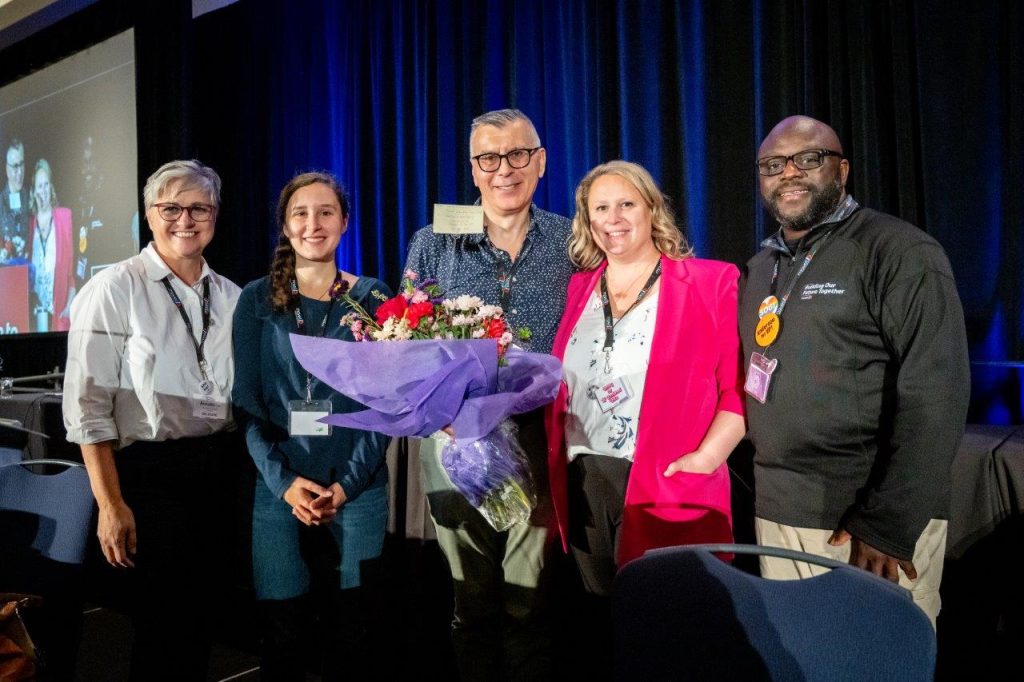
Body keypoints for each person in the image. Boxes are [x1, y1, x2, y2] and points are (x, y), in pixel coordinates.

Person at [740, 115, 970, 626]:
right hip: (780, 513)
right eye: (773, 165)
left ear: (841, 170)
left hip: (867, 521)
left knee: (877, 663)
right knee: (798, 659)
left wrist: (889, 524)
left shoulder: (899, 251)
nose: (790, 173)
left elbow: (937, 394)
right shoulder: (762, 269)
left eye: (808, 159)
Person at [544, 160, 745, 666]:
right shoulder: (579, 289)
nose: (613, 219)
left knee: (672, 640)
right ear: (588, 223)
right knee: (602, 631)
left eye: (626, 204)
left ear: (652, 209)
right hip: (584, 481)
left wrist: (704, 459)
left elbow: (736, 393)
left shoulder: (710, 282)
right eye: (600, 209)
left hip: (667, 483)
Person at [403, 108, 574, 681]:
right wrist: (441, 412)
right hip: (454, 441)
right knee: (468, 601)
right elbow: (404, 340)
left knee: (532, 601)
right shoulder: (433, 242)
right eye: (489, 158)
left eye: (519, 154)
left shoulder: (574, 241)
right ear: (473, 170)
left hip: (541, 438)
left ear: (541, 161)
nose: (505, 169)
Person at [63, 159, 241, 679]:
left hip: (218, 471)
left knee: (204, 623)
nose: (186, 219)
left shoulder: (231, 296)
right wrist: (110, 504)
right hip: (150, 478)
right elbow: (86, 409)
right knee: (161, 627)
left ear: (215, 216)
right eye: (172, 208)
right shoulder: (115, 288)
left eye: (199, 208)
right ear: (149, 214)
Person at [232, 172, 392, 681]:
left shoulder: (372, 297)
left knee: (355, 632)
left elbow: (383, 405)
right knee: (284, 633)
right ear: (285, 224)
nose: (313, 223)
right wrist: (284, 484)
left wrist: (347, 485)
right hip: (281, 489)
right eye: (301, 213)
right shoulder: (256, 300)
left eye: (326, 212)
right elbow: (248, 403)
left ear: (344, 222)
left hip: (358, 487)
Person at [28, 158, 76, 331]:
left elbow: (71, 273)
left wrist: (69, 306)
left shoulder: (64, 218)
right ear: (33, 191)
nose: (44, 190)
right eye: (39, 186)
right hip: (32, 319)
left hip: (58, 317)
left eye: (46, 184)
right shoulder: (29, 225)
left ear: (51, 187)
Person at [1, 139, 29, 263]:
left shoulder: (31, 198)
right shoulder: (1, 203)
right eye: (15, 166)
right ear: (7, 169)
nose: (20, 172)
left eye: (22, 164)